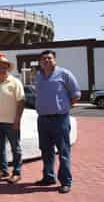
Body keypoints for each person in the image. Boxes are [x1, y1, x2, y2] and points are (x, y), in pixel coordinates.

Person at [34, 50, 81, 194]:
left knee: (63, 151)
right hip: (43, 119)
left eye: (49, 58)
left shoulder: (64, 74)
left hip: (59, 119)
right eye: (44, 59)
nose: (46, 61)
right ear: (40, 62)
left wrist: (65, 107)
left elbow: (76, 94)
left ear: (55, 60)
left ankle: (66, 181)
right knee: (46, 151)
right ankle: (48, 177)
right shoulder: (39, 75)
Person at [0, 57, 25, 184]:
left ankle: (17, 172)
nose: (2, 69)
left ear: (8, 68)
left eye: (4, 66)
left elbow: (21, 101)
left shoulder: (15, 82)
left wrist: (17, 120)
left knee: (15, 147)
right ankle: (3, 170)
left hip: (11, 121)